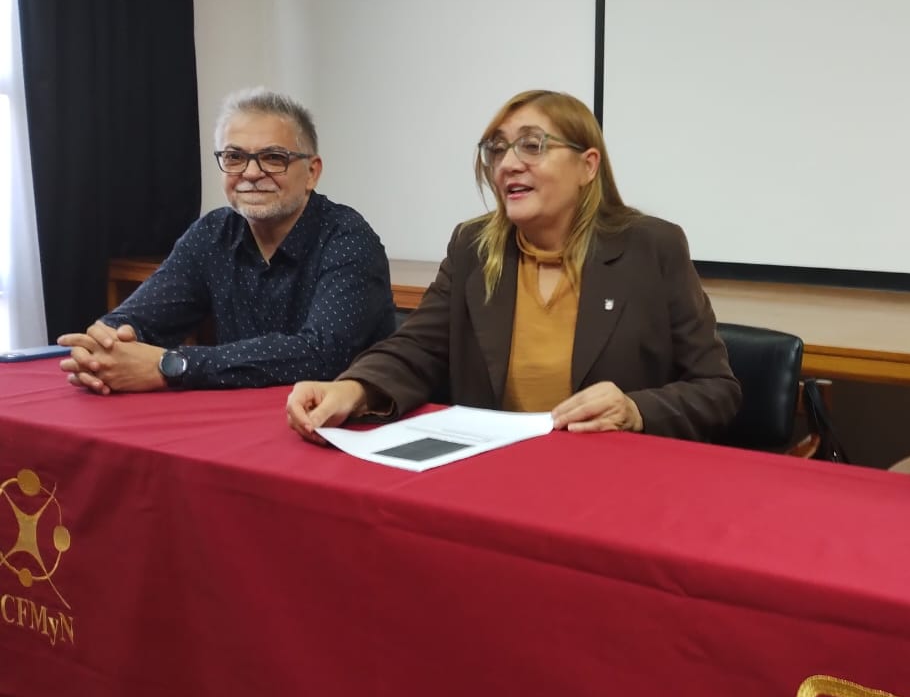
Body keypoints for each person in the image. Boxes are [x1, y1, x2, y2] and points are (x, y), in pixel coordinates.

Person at [286, 89, 741, 442]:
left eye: (532, 146)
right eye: (497, 149)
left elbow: (717, 389)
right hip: (495, 473)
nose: (508, 164)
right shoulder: (473, 247)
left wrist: (635, 410)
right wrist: (353, 389)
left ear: (588, 166)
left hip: (615, 479)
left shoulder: (651, 248)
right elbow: (417, 349)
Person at [57, 88, 396, 393]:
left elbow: (321, 355)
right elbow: (139, 319)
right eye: (235, 157)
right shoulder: (211, 235)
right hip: (234, 419)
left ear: (312, 172)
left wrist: (174, 366)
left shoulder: (349, 240)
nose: (251, 173)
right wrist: (103, 347)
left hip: (333, 427)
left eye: (274, 158)